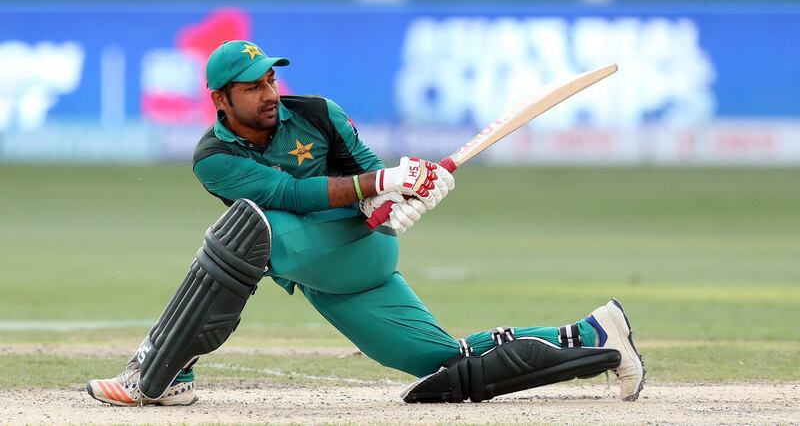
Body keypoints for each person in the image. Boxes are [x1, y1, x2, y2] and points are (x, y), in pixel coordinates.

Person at [87, 40, 644, 407]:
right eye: (252, 87)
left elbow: (371, 180)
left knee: (244, 231)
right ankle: (595, 337)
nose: (268, 95)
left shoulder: (318, 114)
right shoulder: (214, 157)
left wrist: (409, 193)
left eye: (269, 81)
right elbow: (292, 193)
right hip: (323, 271)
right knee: (450, 367)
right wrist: (381, 187)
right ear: (220, 99)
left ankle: (164, 370)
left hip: (352, 248)